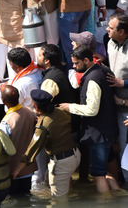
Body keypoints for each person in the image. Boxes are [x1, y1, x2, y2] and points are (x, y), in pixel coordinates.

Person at [60, 46, 119, 193]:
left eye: (76, 63)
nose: (73, 66)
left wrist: (70, 107)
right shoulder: (104, 70)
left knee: (98, 174)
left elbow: (92, 110)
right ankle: (118, 194)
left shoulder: (92, 79)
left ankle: (105, 202)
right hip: (108, 129)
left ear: (86, 60)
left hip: (98, 134)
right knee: (105, 169)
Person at [13, 89, 81, 198]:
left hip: (62, 162)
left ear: (35, 106)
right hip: (75, 155)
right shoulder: (62, 111)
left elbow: (31, 151)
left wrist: (16, 170)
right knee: (59, 186)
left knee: (59, 201)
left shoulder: (43, 125)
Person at [0, 85, 37, 195]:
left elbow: (2, 147)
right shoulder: (30, 112)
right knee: (26, 197)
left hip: (12, 169)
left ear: (3, 100)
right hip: (27, 168)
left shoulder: (6, 121)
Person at [106, 13, 128, 183]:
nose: (107, 30)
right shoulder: (110, 44)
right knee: (118, 148)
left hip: (125, 109)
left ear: (122, 32)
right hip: (114, 108)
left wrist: (124, 83)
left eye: (111, 28)